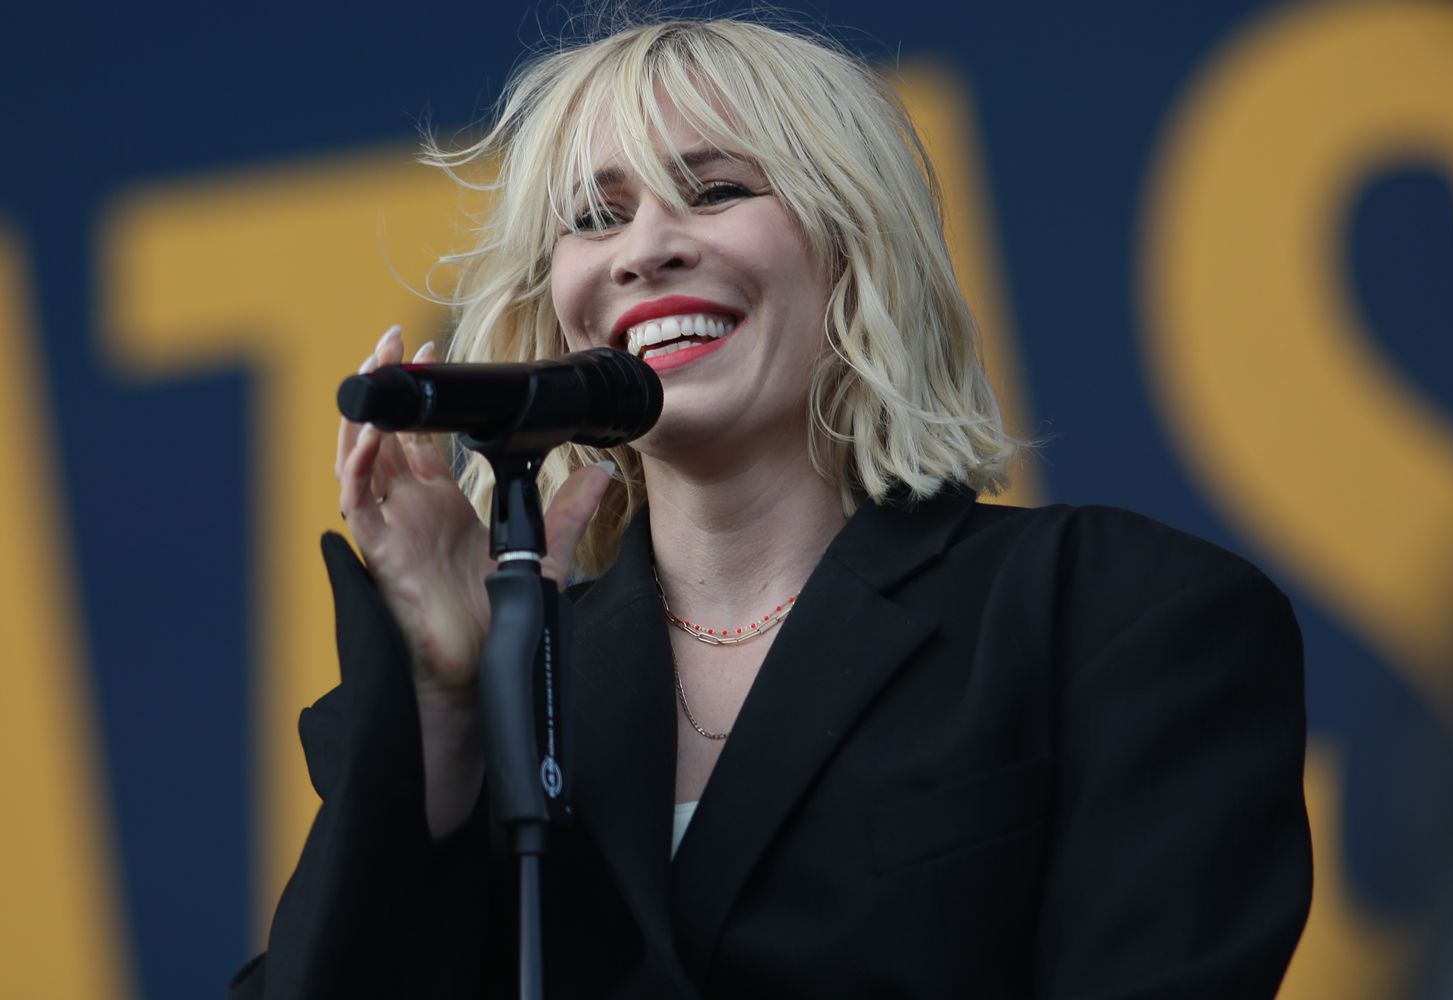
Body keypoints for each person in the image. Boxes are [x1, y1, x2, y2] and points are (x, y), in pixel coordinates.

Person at [229, 16, 1311, 999]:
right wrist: (446, 698)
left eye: (715, 191)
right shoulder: (514, 684)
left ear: (855, 244)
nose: (645, 248)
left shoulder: (1119, 617)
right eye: (597, 217)